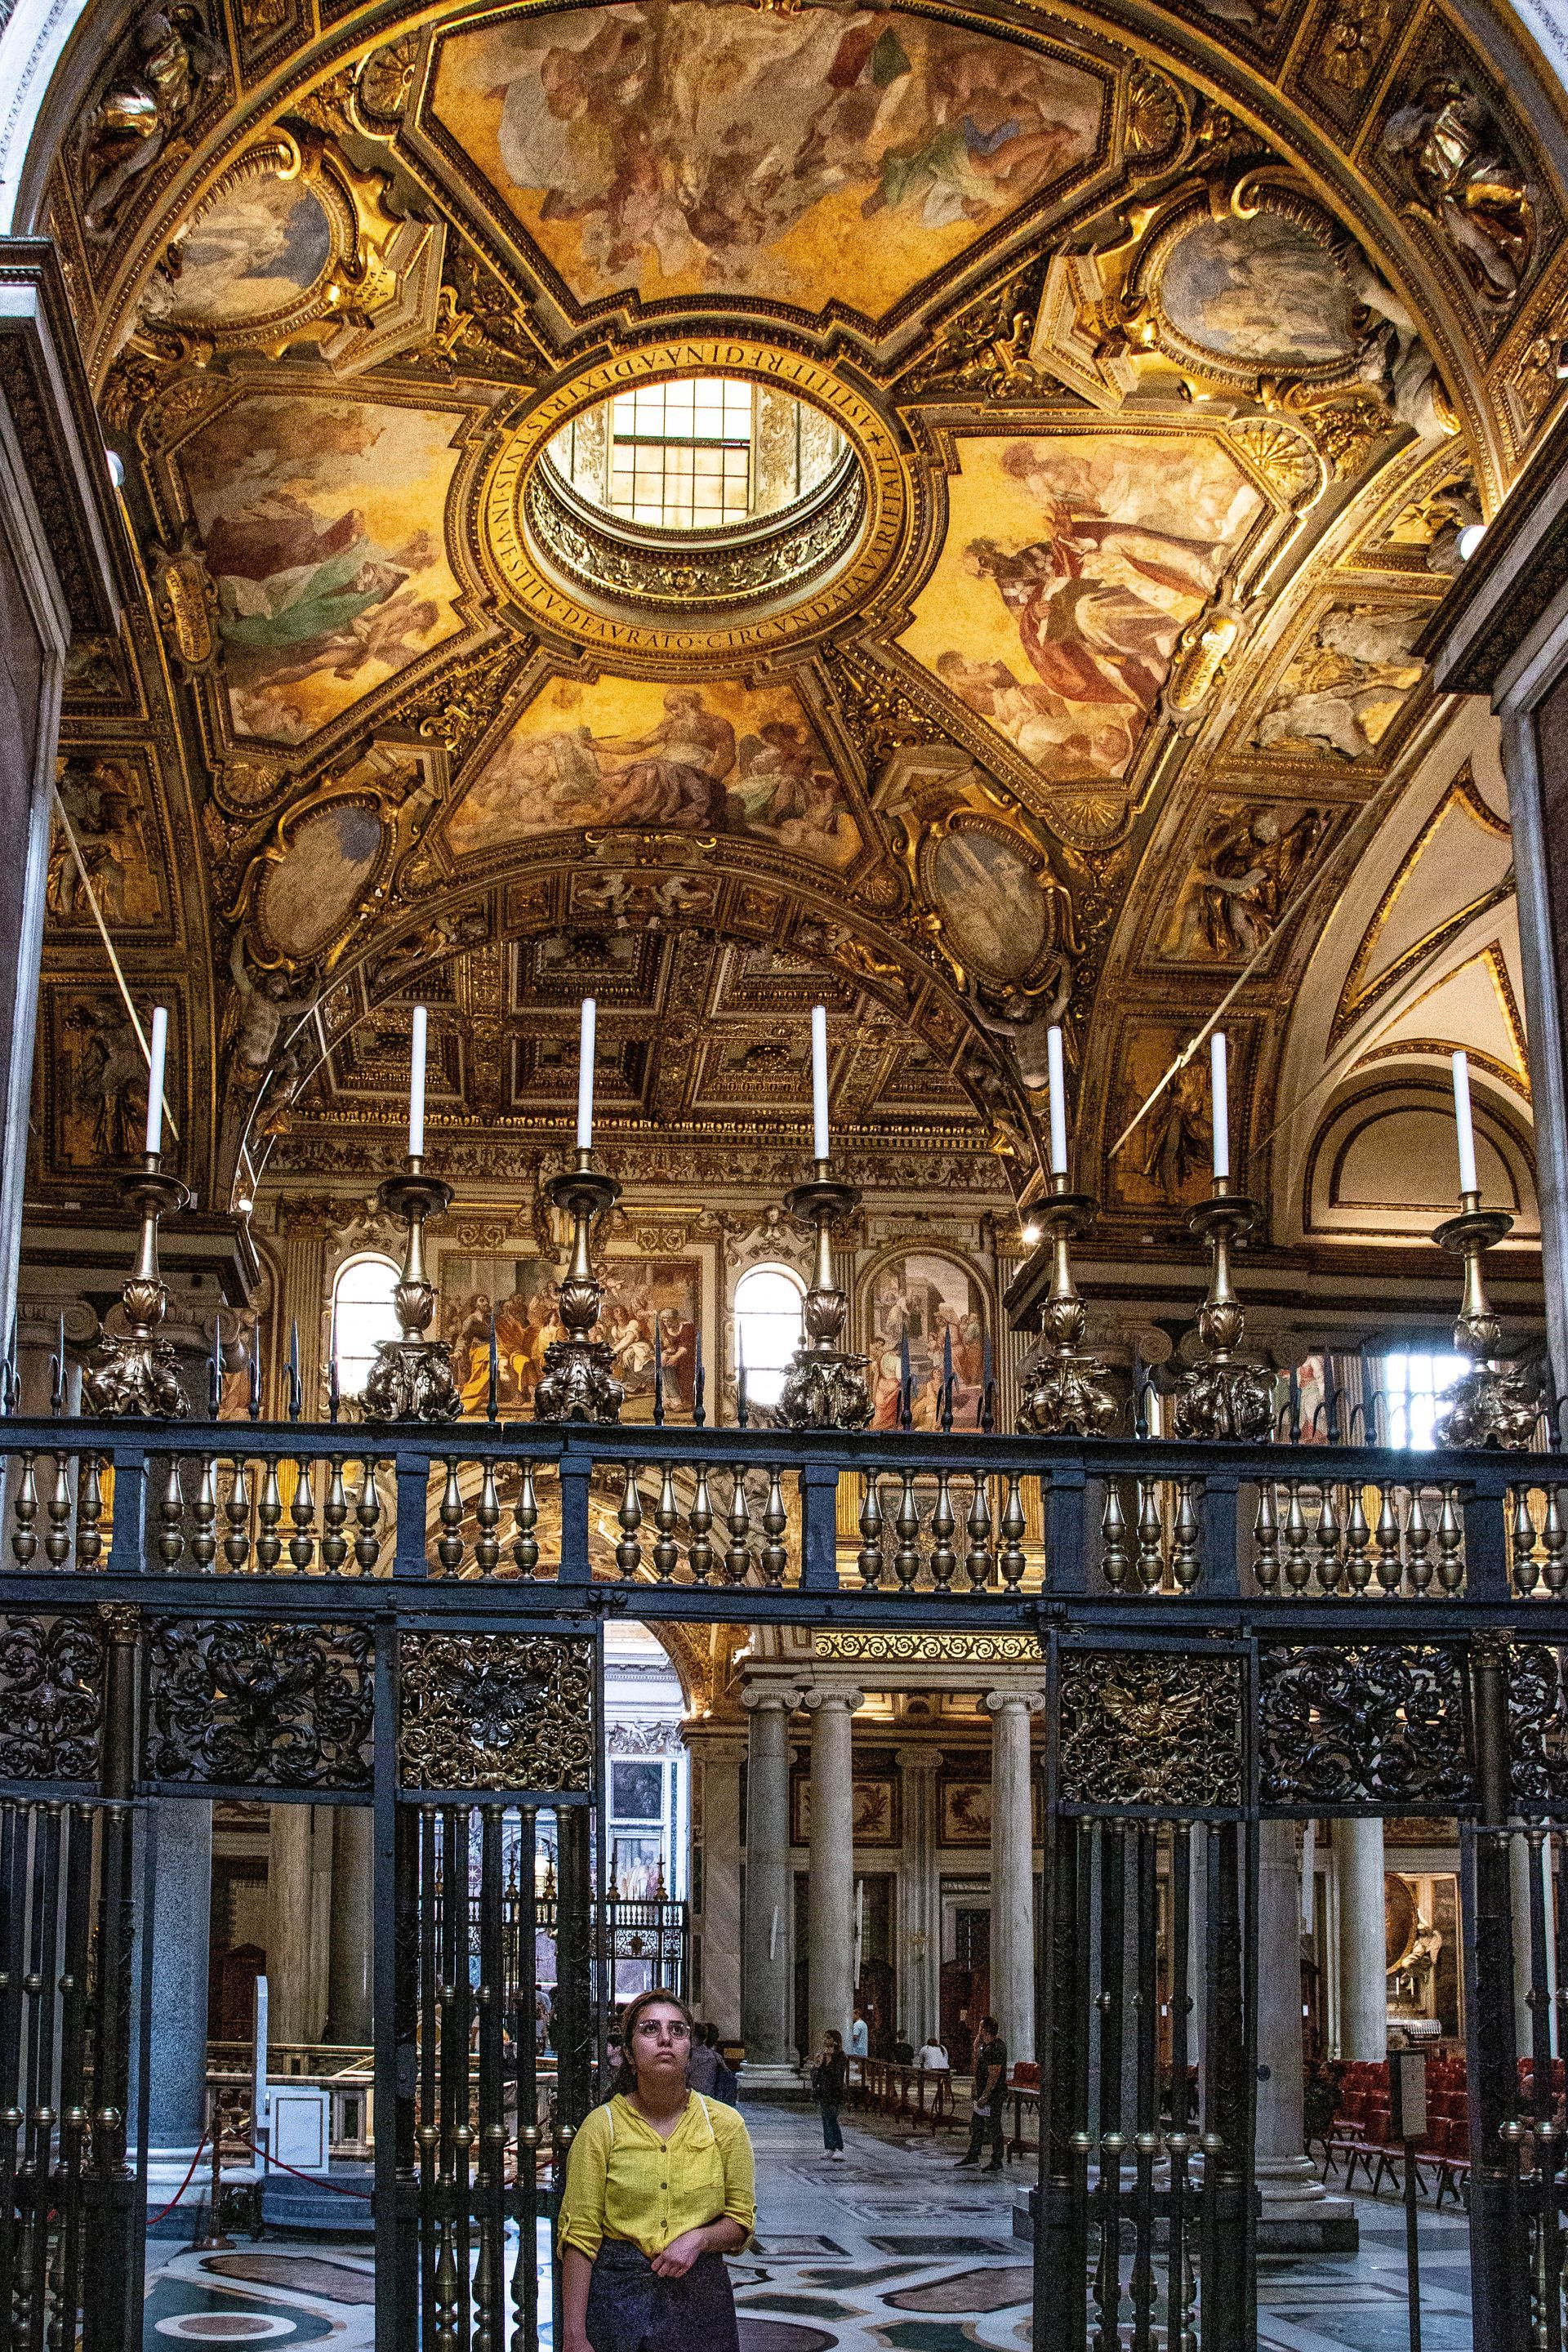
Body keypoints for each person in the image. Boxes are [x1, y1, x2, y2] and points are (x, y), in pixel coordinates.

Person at [559, 1989, 755, 2352]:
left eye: (678, 2030)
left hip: (699, 2301)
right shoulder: (602, 2127)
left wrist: (699, 2239)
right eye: (650, 2029)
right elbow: (580, 2236)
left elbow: (741, 2221)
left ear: (690, 2051)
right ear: (630, 2053)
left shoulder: (725, 2125)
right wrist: (574, 2335)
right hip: (618, 2300)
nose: (666, 2038)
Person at [957, 2015, 1008, 2173]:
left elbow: (994, 2074)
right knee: (977, 2125)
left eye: (980, 2027)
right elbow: (977, 2062)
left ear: (985, 2029)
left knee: (994, 2127)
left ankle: (997, 2160)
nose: (978, 2029)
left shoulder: (997, 2047)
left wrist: (985, 2095)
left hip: (993, 2094)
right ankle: (973, 2155)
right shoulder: (986, 2046)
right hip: (983, 2093)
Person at [811, 2029, 849, 2160]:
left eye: (828, 2038)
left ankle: (839, 2148)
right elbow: (815, 2076)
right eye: (824, 2038)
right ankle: (829, 2147)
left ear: (835, 2041)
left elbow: (836, 2075)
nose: (825, 2040)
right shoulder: (822, 2055)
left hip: (835, 2092)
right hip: (823, 2092)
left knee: (832, 2119)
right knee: (825, 2120)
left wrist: (827, 2062)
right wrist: (817, 2065)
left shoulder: (841, 2056)